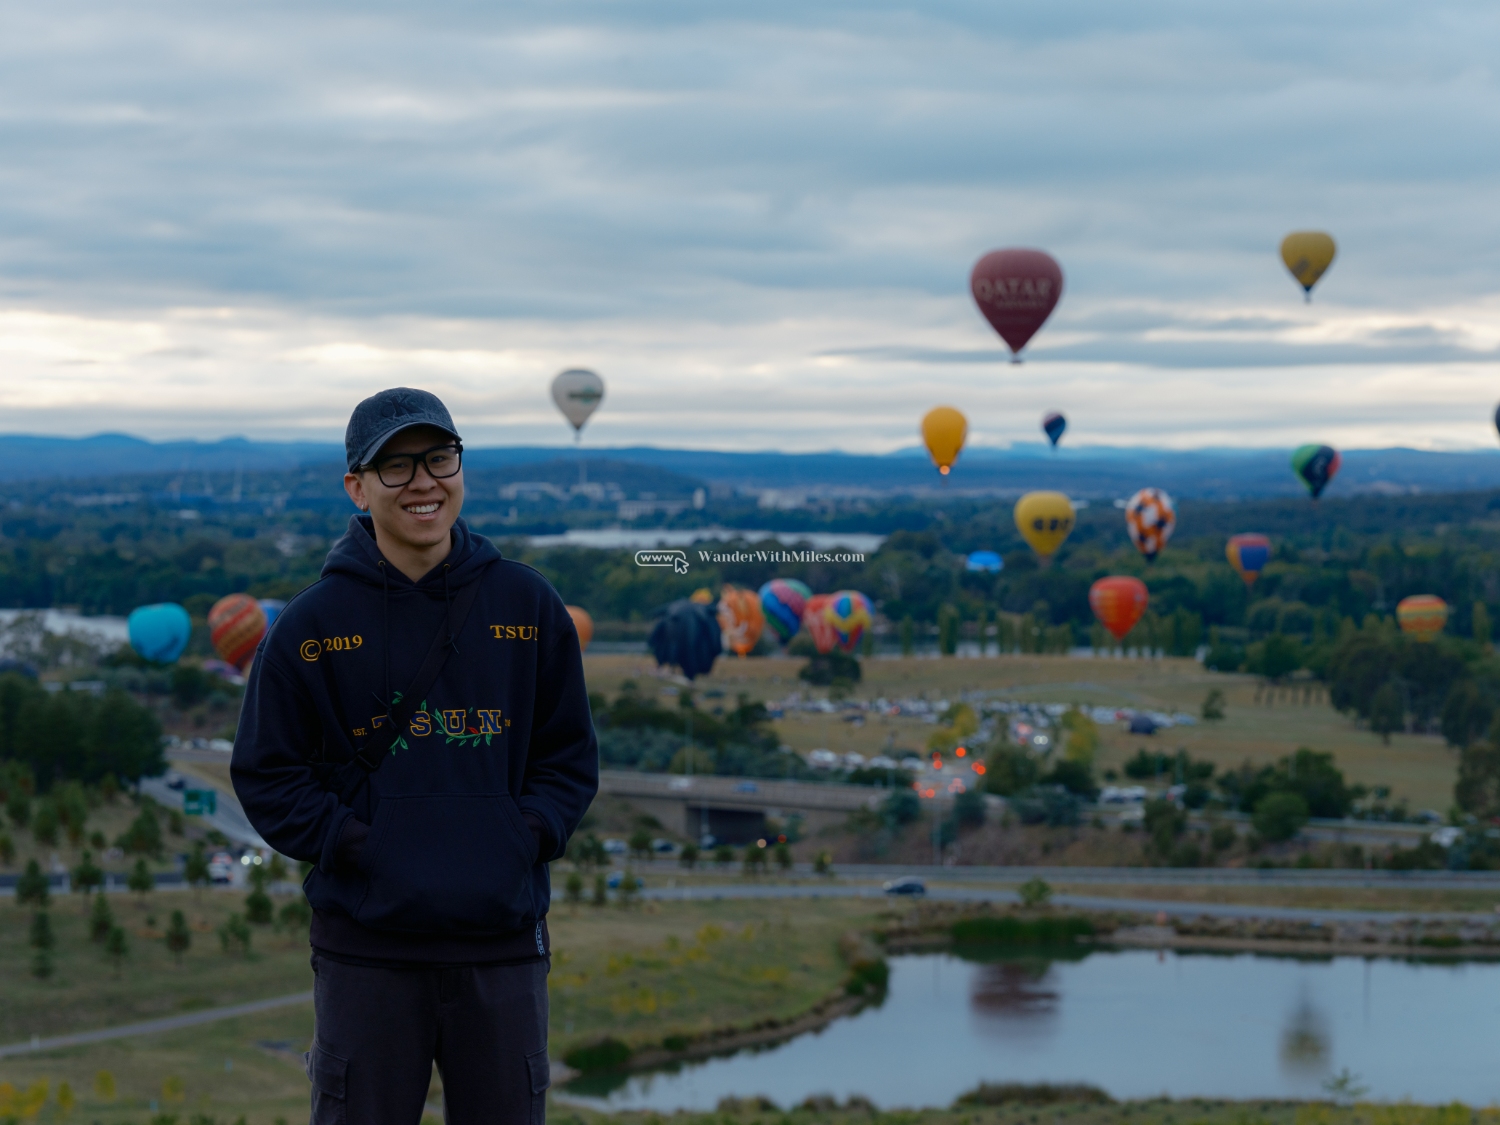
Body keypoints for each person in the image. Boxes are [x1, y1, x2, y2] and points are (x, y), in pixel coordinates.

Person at [232, 387, 598, 1124]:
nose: (424, 481)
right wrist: (359, 843)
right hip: (367, 952)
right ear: (357, 487)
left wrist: (517, 834)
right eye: (395, 467)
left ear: (461, 466)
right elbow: (267, 773)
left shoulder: (528, 607)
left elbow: (568, 760)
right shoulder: (312, 623)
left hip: (501, 946)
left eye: (438, 457)